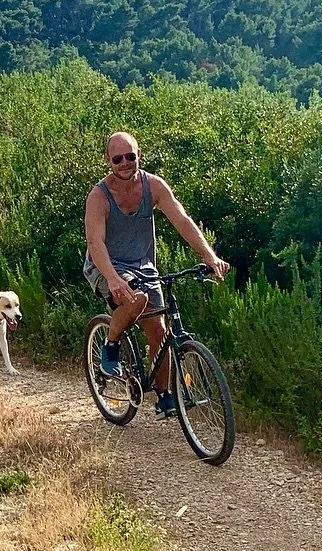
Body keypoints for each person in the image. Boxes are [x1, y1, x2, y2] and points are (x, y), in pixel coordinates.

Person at [83, 130, 229, 418]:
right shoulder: (99, 196)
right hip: (106, 266)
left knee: (160, 332)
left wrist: (209, 256)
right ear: (107, 160)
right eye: (118, 158)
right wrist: (112, 278)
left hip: (144, 266)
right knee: (135, 299)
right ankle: (110, 345)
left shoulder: (154, 186)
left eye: (130, 156)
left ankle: (164, 397)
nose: (125, 163)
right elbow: (95, 243)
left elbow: (182, 220)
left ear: (139, 155)